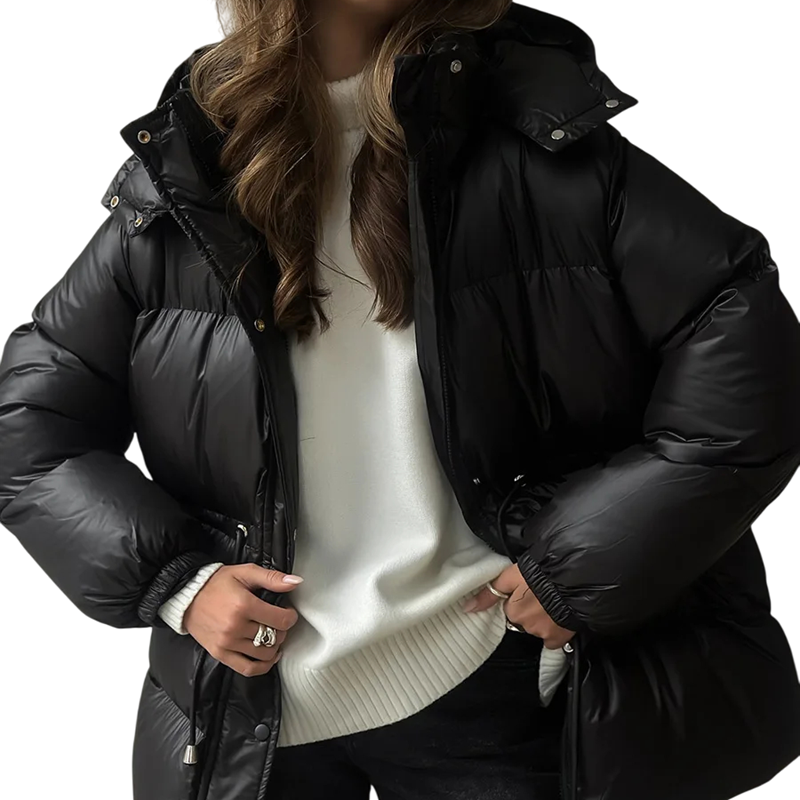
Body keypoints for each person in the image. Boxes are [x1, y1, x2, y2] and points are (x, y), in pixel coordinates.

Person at [1, 1, 800, 799]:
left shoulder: (534, 136)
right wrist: (177, 584)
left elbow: (747, 352)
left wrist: (584, 566)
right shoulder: (196, 164)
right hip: (246, 711)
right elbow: (27, 424)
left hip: (493, 685)